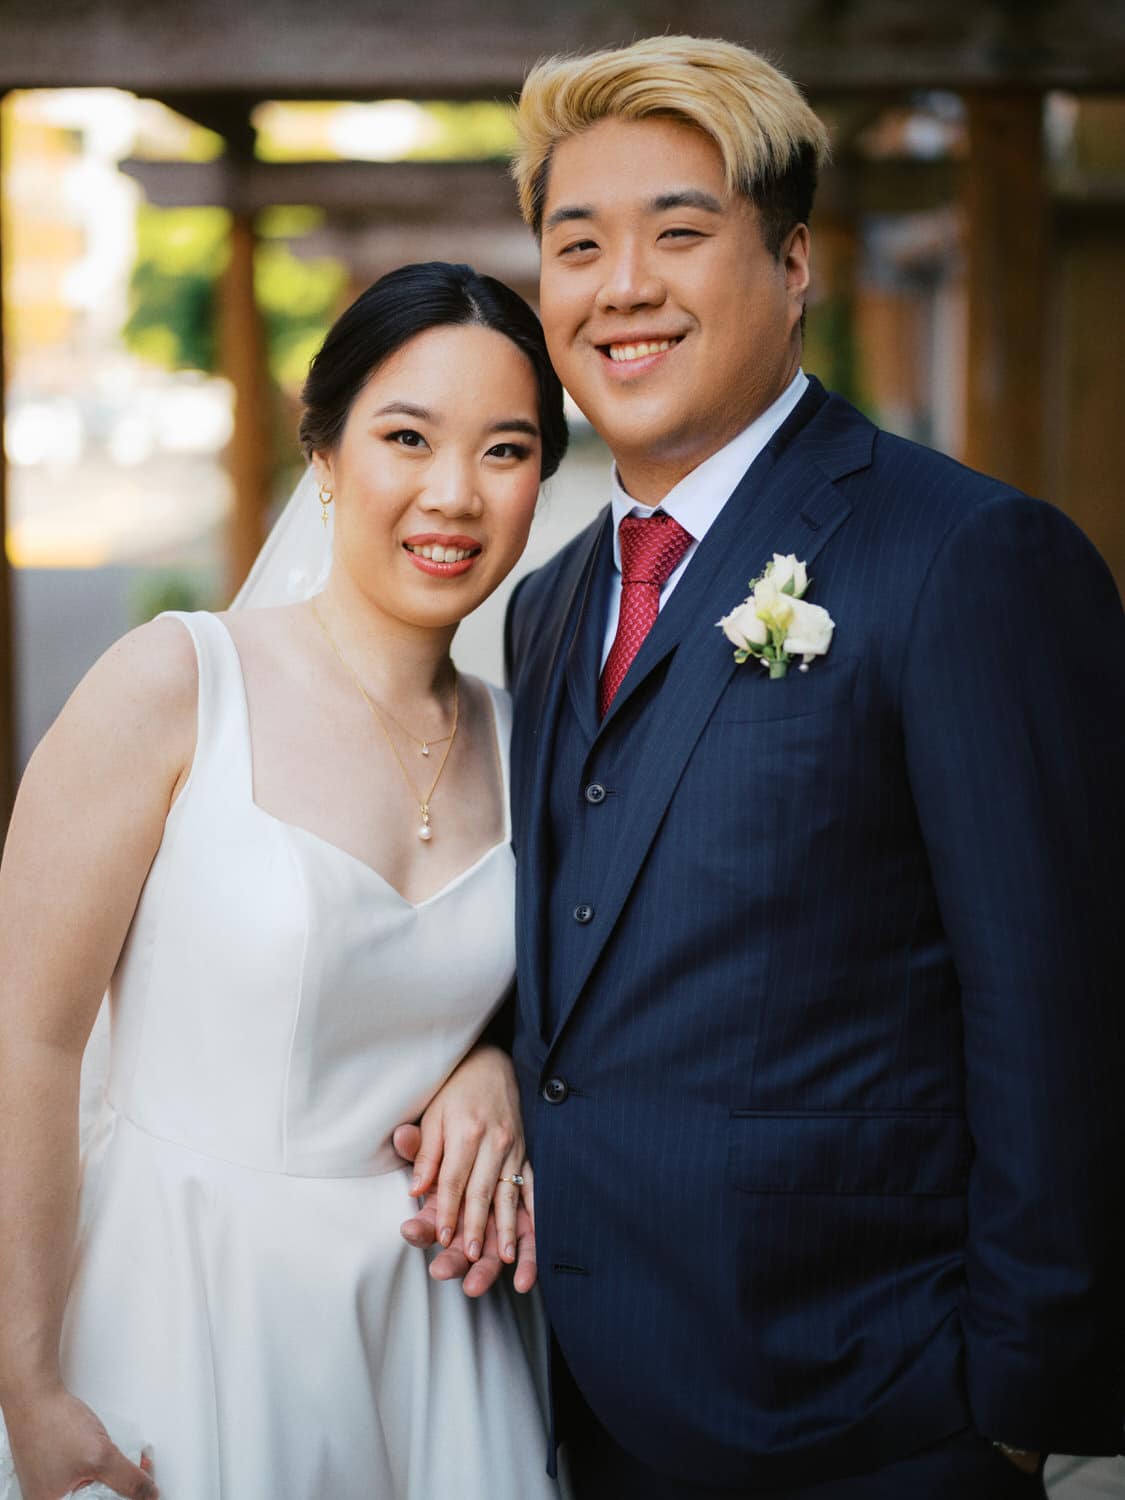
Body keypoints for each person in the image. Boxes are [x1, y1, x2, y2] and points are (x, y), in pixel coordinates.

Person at [401, 34, 1125, 1500]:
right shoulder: (548, 604)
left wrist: (1009, 1417)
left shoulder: (967, 560)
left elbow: (1065, 1015)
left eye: (679, 232)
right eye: (578, 242)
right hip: (586, 1403)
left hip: (877, 1419)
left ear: (793, 263)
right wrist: (486, 1049)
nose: (624, 286)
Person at [0, 261, 569, 1499]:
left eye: (507, 450)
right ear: (323, 451)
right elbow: (27, 1045)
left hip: (432, 1339)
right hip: (186, 1308)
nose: (453, 494)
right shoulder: (175, 687)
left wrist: (498, 1064)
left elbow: (562, 1001)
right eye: (406, 436)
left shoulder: (538, 748)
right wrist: (27, 1383)